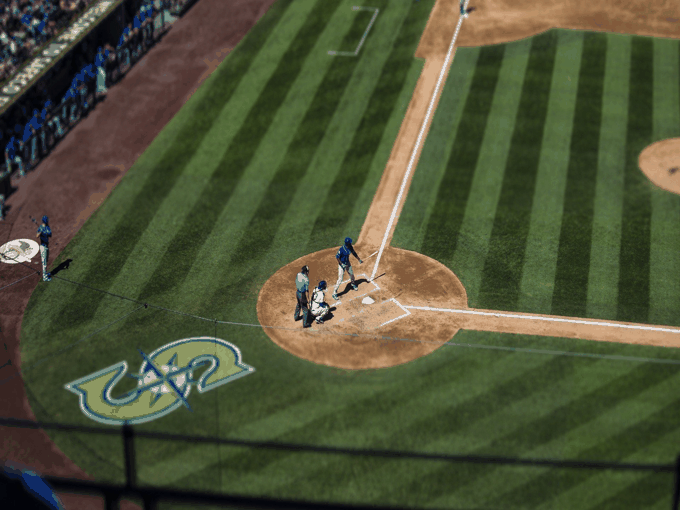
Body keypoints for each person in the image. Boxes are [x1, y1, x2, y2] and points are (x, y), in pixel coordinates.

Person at [36, 215, 51, 281]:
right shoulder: (40, 228)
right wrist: (40, 232)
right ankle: (45, 277)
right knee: (44, 263)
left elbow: (50, 234)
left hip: (47, 246)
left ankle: (46, 273)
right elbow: (37, 236)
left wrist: (47, 232)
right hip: (43, 247)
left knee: (46, 261)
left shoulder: (47, 227)